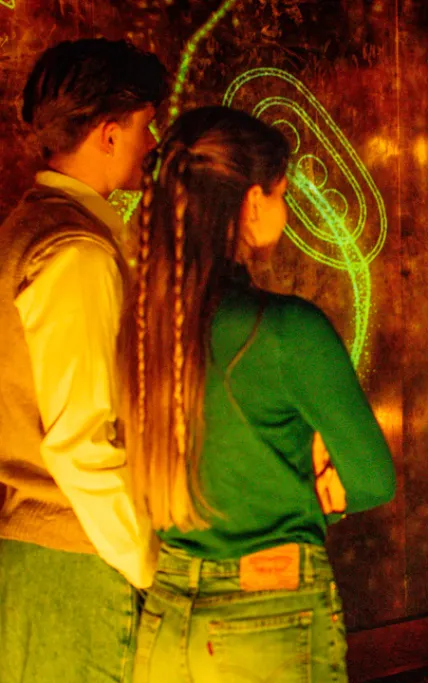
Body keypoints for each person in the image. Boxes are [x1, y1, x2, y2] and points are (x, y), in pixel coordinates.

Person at [119, 106, 396, 683]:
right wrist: (320, 478)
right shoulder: (287, 330)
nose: (287, 210)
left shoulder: (138, 329)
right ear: (251, 202)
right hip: (269, 613)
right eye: (282, 193)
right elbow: (372, 479)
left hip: (166, 617)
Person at [0, 38, 167, 683]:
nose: (149, 145)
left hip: (45, 559)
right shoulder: (76, 251)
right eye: (143, 128)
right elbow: (81, 444)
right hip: (77, 558)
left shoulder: (32, 226)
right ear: (107, 133)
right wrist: (150, 565)